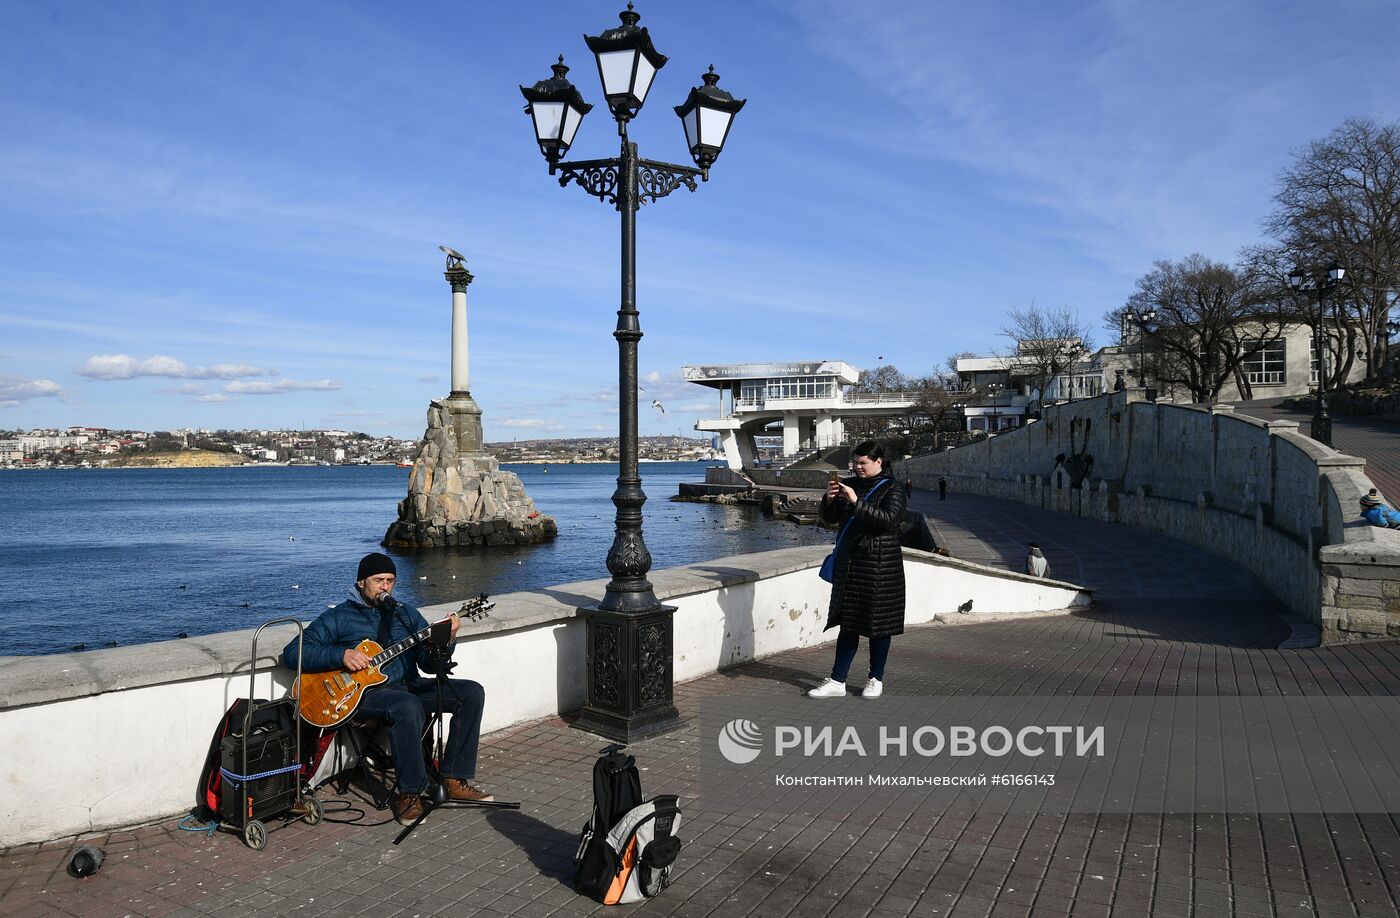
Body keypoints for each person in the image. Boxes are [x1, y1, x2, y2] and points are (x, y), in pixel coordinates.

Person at [285, 552, 492, 824]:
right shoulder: (339, 617)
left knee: (471, 692)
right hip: (364, 696)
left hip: (409, 685)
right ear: (361, 582)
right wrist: (342, 655)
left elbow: (430, 665)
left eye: (390, 581)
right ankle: (410, 793)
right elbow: (292, 653)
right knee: (406, 706)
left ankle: (452, 778)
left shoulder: (405, 614)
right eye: (378, 580)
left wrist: (446, 640)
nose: (385, 586)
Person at [808, 441, 907, 701]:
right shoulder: (849, 484)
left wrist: (854, 500)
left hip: (881, 566)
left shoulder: (894, 488)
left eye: (863, 463)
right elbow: (831, 519)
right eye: (856, 462)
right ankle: (838, 680)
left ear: (879, 462)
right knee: (848, 624)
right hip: (851, 564)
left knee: (879, 626)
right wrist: (829, 501)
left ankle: (876, 679)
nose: (858, 467)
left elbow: (887, 521)